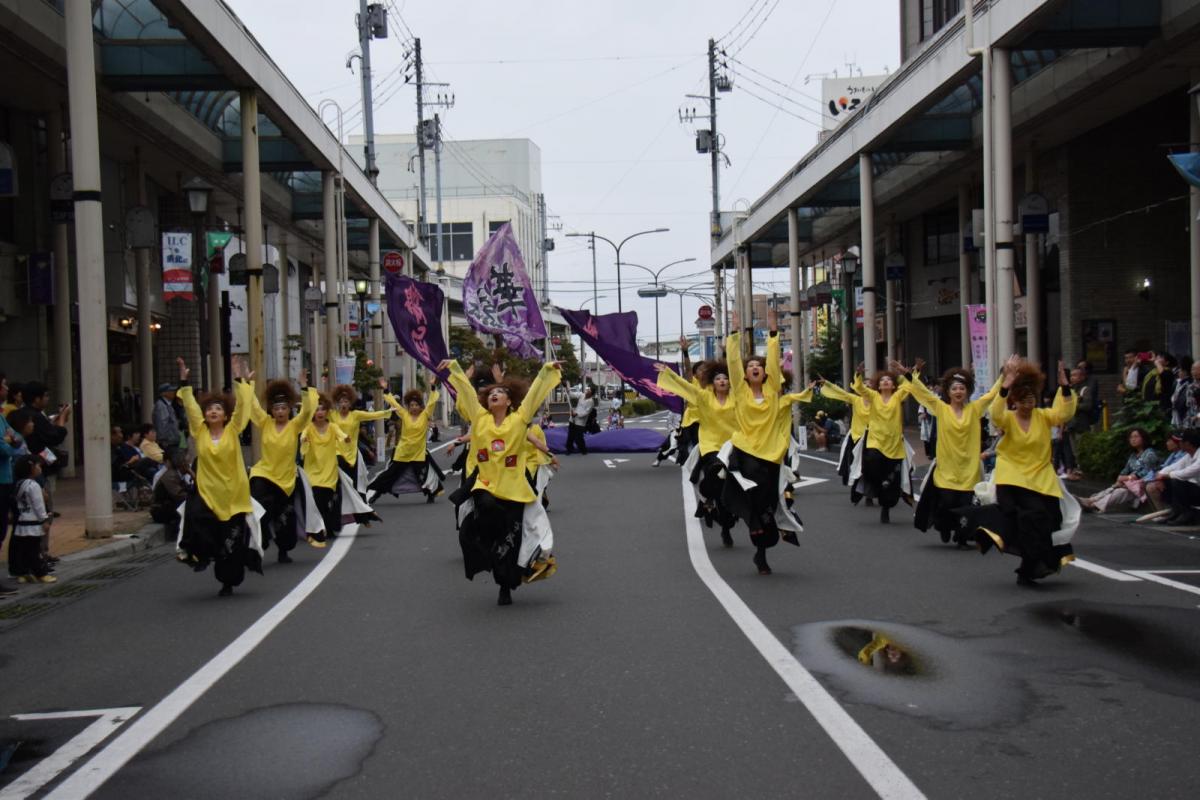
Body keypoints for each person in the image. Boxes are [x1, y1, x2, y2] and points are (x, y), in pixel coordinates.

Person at [441, 357, 562, 606]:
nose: (494, 395)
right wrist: (454, 368)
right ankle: (485, 548)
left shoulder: (519, 420)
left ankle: (505, 586)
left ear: (509, 401)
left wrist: (547, 370)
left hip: (514, 491)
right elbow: (466, 392)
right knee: (482, 514)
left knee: (509, 543)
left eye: (500, 392)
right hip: (485, 485)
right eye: (491, 393)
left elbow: (534, 395)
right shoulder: (480, 418)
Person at [964, 356, 1078, 585]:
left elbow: (1063, 413)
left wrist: (1065, 386)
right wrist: (1006, 384)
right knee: (1031, 516)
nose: (1029, 403)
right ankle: (1020, 556)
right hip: (1014, 479)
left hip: (1041, 478)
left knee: (1050, 520)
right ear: (1015, 400)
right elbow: (995, 414)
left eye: (1032, 398)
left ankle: (1030, 567)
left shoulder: (1043, 417)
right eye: (1024, 399)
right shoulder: (1007, 419)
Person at [720, 310, 814, 575]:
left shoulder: (773, 392)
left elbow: (774, 362)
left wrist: (774, 334)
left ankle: (761, 552)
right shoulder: (740, 391)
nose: (754, 368)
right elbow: (733, 363)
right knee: (751, 481)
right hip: (746, 449)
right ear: (745, 374)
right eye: (750, 366)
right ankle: (743, 518)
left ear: (764, 373)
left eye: (758, 366)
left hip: (771, 452)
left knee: (770, 503)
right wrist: (734, 333)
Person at [175, 356, 263, 597]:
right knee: (195, 517)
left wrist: (240, 380)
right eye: (209, 409)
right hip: (207, 493)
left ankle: (228, 581)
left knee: (230, 542)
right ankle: (194, 553)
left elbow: (243, 408)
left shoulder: (233, 430)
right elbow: (190, 408)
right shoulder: (199, 431)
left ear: (225, 416)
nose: (213, 412)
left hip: (233, 495)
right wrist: (184, 381)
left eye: (218, 409)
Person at [902, 363, 1002, 545]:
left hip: (968, 469)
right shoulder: (941, 408)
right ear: (948, 392)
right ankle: (945, 527)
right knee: (947, 503)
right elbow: (923, 393)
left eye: (962, 388)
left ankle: (962, 538)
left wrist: (1004, 378)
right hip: (946, 469)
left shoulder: (975, 409)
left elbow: (991, 395)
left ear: (968, 391)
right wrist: (909, 376)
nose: (958, 391)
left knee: (965, 506)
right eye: (954, 388)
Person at [655, 358, 739, 546]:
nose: (722, 381)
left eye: (725, 378)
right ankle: (708, 499)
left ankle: (725, 519)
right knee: (711, 471)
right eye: (718, 379)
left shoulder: (737, 397)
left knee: (738, 483)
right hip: (710, 445)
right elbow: (685, 385)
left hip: (733, 445)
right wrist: (668, 372)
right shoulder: (703, 396)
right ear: (712, 382)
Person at [247, 370, 318, 564]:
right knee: (258, 509)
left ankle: (283, 550)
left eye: (283, 408)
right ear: (271, 409)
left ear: (289, 409)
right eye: (276, 408)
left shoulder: (295, 426)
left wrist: (304, 387)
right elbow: (253, 407)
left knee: (284, 517)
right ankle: (258, 543)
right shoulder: (265, 423)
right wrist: (247, 384)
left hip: (286, 480)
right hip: (264, 474)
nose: (279, 412)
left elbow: (307, 412)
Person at [851, 364, 917, 523]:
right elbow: (859, 388)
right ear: (878, 385)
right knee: (872, 460)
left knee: (892, 480)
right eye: (882, 380)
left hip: (894, 444)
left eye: (889, 380)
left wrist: (907, 373)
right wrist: (858, 375)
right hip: (875, 440)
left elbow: (911, 385)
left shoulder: (898, 396)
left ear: (894, 385)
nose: (886, 381)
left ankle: (885, 507)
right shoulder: (873, 396)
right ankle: (873, 485)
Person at [367, 379, 445, 505]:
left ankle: (431, 494)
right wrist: (386, 390)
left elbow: (431, 403)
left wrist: (433, 387)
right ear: (408, 406)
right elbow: (394, 404)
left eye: (416, 405)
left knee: (423, 476)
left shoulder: (425, 415)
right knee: (390, 474)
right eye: (411, 405)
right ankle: (376, 493)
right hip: (403, 452)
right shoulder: (404, 414)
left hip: (418, 453)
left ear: (420, 406)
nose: (413, 407)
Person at [1079, 428, 1161, 514]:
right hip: (1132, 484)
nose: (1133, 439)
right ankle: (1091, 500)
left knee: (1121, 492)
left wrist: (1128, 478)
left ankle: (1094, 505)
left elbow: (1146, 472)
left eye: (1136, 436)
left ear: (1144, 438)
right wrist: (1121, 478)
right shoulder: (1133, 456)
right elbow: (1125, 470)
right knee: (1117, 487)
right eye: (1131, 437)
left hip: (1143, 485)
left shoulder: (1150, 454)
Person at [816, 369, 871, 494]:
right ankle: (859, 486)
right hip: (857, 437)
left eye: (869, 385)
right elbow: (841, 392)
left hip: (874, 437)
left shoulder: (878, 401)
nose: (866, 388)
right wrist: (827, 383)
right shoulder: (856, 400)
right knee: (858, 464)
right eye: (864, 385)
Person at [8, 456, 54, 584]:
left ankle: (23, 572)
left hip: (22, 521)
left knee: (22, 548)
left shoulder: (19, 484)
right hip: (33, 523)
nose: (40, 468)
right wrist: (44, 520)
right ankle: (40, 573)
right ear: (31, 468)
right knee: (34, 549)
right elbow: (38, 505)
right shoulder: (34, 485)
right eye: (38, 465)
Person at [1152, 429, 1200, 525]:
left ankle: (1186, 513)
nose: (1178, 444)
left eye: (1180, 442)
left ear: (1188, 443)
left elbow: (1188, 472)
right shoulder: (1188, 456)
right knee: (1168, 481)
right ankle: (1176, 511)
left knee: (1176, 481)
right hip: (1195, 490)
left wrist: (1166, 475)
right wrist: (1160, 477)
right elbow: (1172, 467)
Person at [151, 449, 193, 543]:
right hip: (161, 510)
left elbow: (189, 489)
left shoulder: (178, 475)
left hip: (170, 505)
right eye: (186, 463)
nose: (188, 465)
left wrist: (192, 475)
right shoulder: (170, 476)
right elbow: (179, 495)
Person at [1144, 432, 1187, 512]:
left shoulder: (1184, 454)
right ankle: (1160, 512)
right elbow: (1164, 468)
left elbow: (1176, 469)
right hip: (1168, 478)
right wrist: (1156, 477)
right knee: (1146, 483)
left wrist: (1160, 478)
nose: (1167, 443)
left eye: (1169, 441)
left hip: (1179, 481)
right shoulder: (1173, 455)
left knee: (1151, 487)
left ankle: (1166, 512)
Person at [153, 382, 183, 457]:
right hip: (168, 443)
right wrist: (164, 440)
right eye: (170, 391)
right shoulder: (161, 406)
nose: (173, 392)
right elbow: (162, 425)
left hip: (172, 440)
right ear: (164, 393)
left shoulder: (167, 404)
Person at [566, 386, 594, 455]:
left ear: (591, 394)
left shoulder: (591, 402)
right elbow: (572, 395)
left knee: (579, 437)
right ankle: (569, 449)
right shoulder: (582, 395)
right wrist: (567, 387)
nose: (587, 391)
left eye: (589, 391)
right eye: (588, 390)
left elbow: (586, 412)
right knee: (570, 435)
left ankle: (583, 450)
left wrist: (577, 414)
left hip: (580, 422)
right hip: (573, 419)